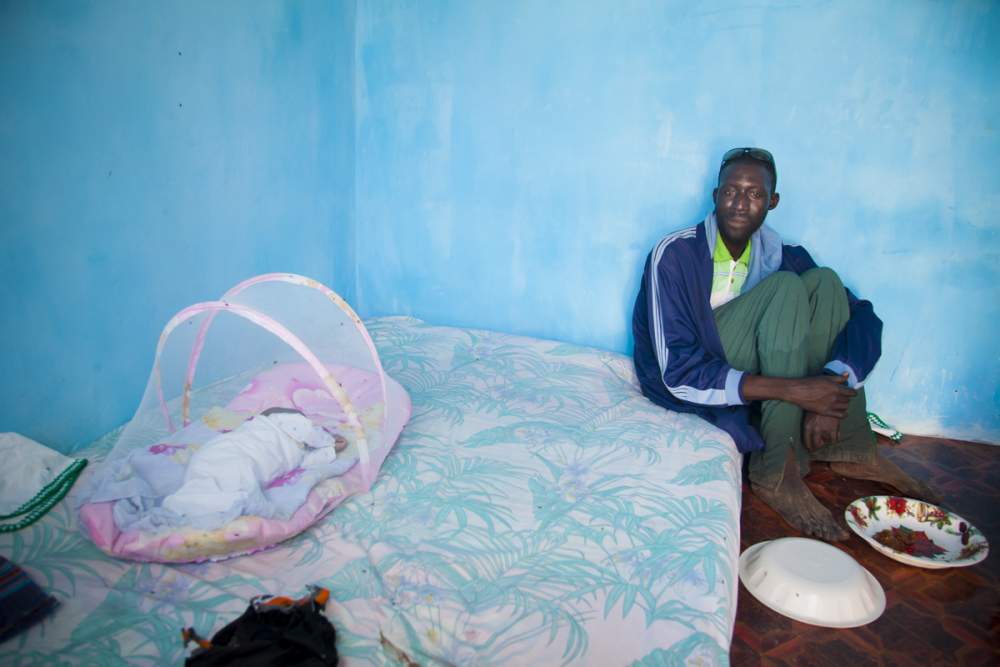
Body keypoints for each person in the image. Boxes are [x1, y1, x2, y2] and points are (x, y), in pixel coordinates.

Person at [631, 147, 935, 541]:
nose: (740, 203)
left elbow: (862, 317)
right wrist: (796, 391)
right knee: (785, 289)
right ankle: (776, 469)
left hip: (753, 357)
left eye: (755, 194)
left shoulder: (784, 255)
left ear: (772, 202)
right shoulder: (675, 253)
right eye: (730, 191)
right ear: (715, 195)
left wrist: (831, 388)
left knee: (825, 283)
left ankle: (848, 448)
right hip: (697, 366)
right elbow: (677, 371)